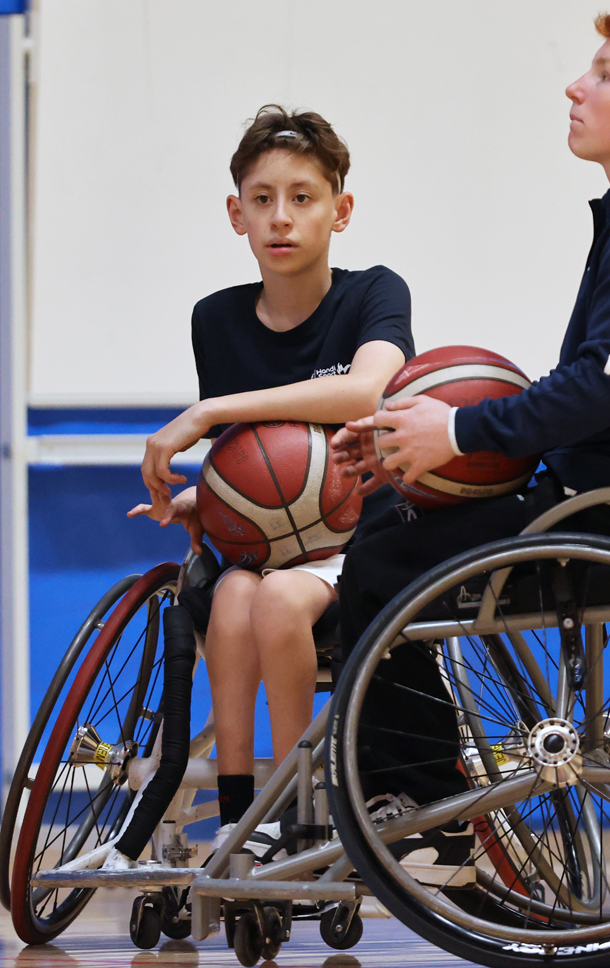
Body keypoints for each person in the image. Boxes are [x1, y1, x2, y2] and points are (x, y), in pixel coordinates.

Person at [330, 5, 610, 840]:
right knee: (391, 511)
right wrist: (412, 440)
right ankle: (407, 778)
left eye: (602, 74)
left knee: (382, 557)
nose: (575, 85)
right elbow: (598, 388)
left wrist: (452, 437)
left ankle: (416, 807)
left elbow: (599, 391)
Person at [129, 107, 412, 847]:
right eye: (261, 199)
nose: (280, 219)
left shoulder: (375, 292)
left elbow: (366, 393)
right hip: (269, 546)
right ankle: (237, 818)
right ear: (236, 214)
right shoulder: (216, 319)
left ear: (339, 210)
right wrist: (207, 497)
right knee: (230, 598)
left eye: (302, 197)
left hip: (357, 538)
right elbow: (253, 463)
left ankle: (302, 816)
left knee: (282, 600)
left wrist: (209, 410)